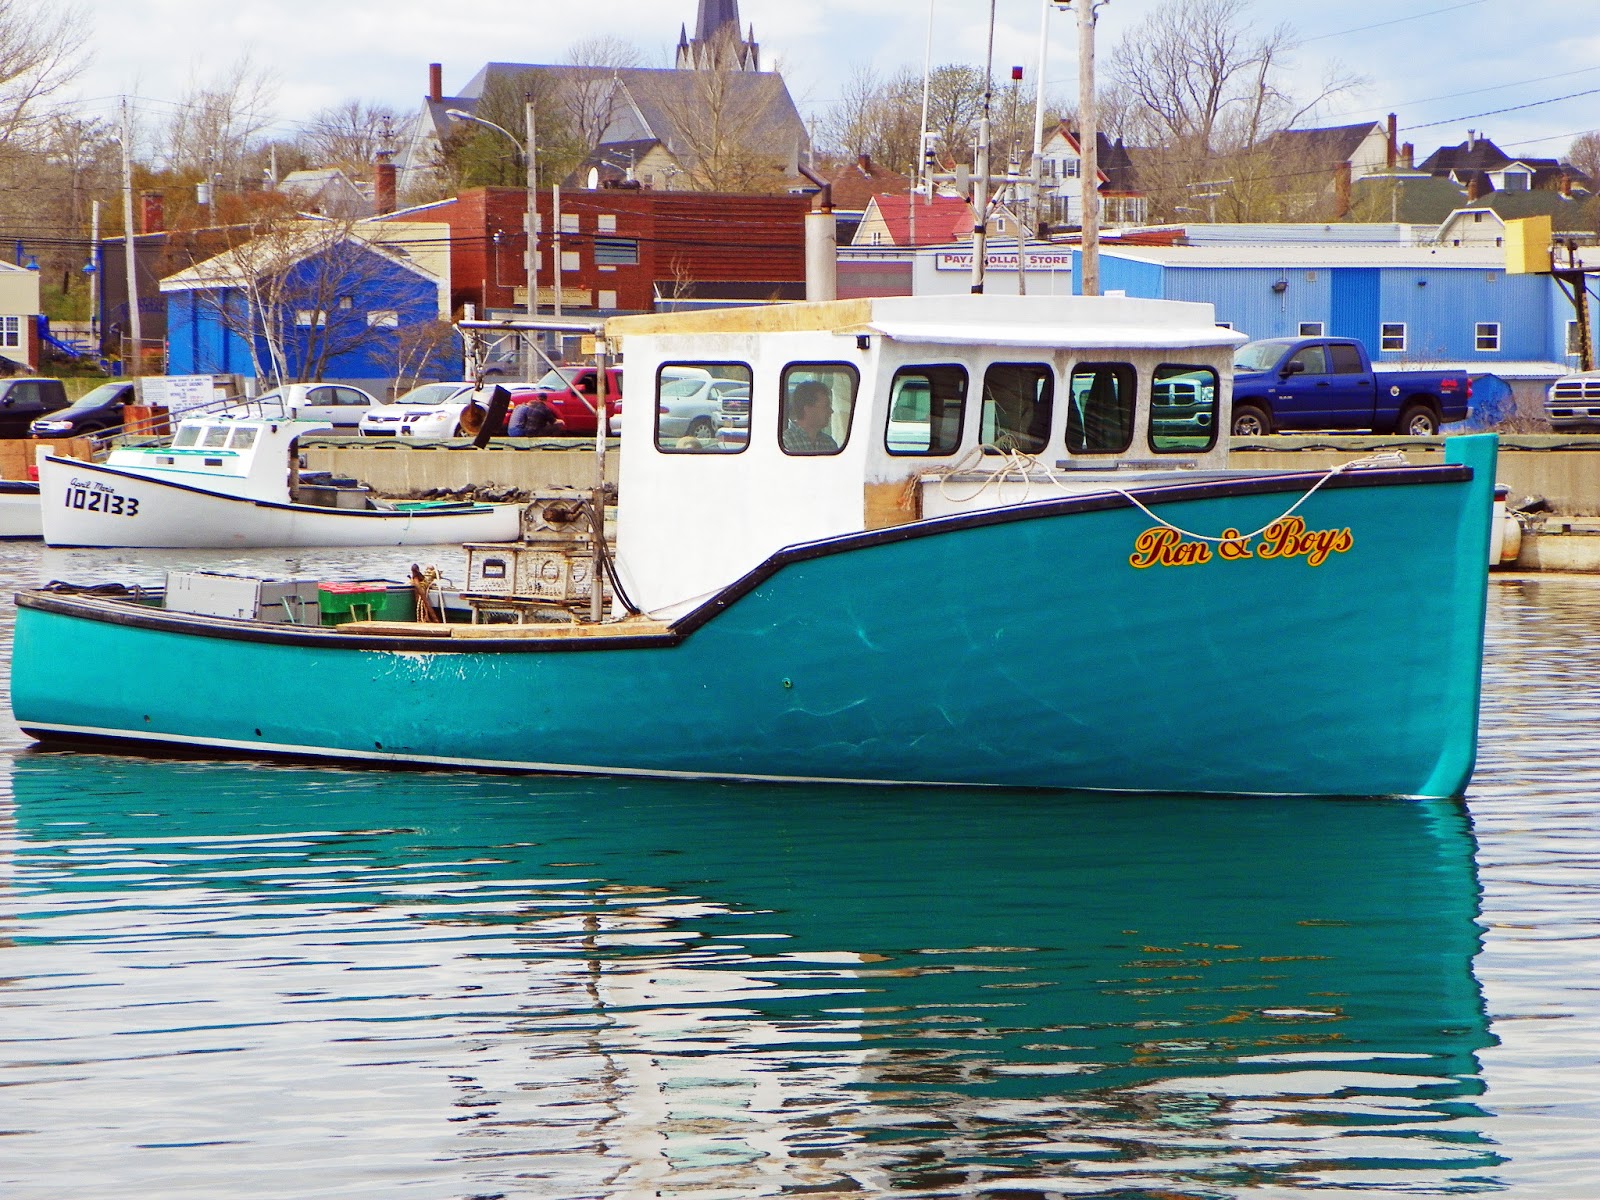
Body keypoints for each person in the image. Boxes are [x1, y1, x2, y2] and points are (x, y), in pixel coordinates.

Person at [782, 380, 838, 454]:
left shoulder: (830, 443)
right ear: (808, 409)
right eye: (826, 406)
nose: (831, 411)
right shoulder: (785, 442)